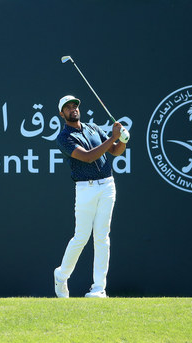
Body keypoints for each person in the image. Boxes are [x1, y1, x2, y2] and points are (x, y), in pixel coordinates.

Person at [53, 95, 128, 298]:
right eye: (68, 108)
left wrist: (122, 139)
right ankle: (61, 275)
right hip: (85, 189)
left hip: (107, 186)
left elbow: (115, 151)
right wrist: (113, 137)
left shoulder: (93, 128)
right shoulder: (63, 137)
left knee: (102, 237)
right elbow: (87, 156)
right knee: (81, 237)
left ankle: (98, 289)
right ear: (62, 114)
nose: (73, 109)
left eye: (75, 106)